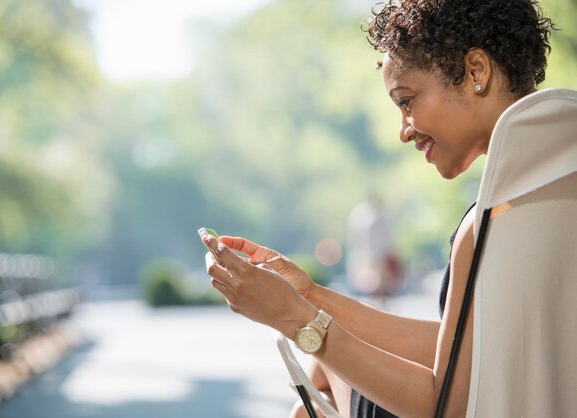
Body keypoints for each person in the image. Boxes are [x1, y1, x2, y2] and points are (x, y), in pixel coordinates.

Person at [200, 0, 561, 416]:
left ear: (476, 72)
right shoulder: (551, 184)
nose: (403, 130)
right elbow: (465, 348)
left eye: (407, 101)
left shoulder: (489, 225)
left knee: (318, 378)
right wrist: (314, 298)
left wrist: (296, 320)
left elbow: (447, 406)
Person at [345, 195, 401, 299]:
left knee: (376, 281)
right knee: (371, 281)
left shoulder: (376, 217)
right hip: (371, 255)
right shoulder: (370, 217)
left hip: (376, 255)